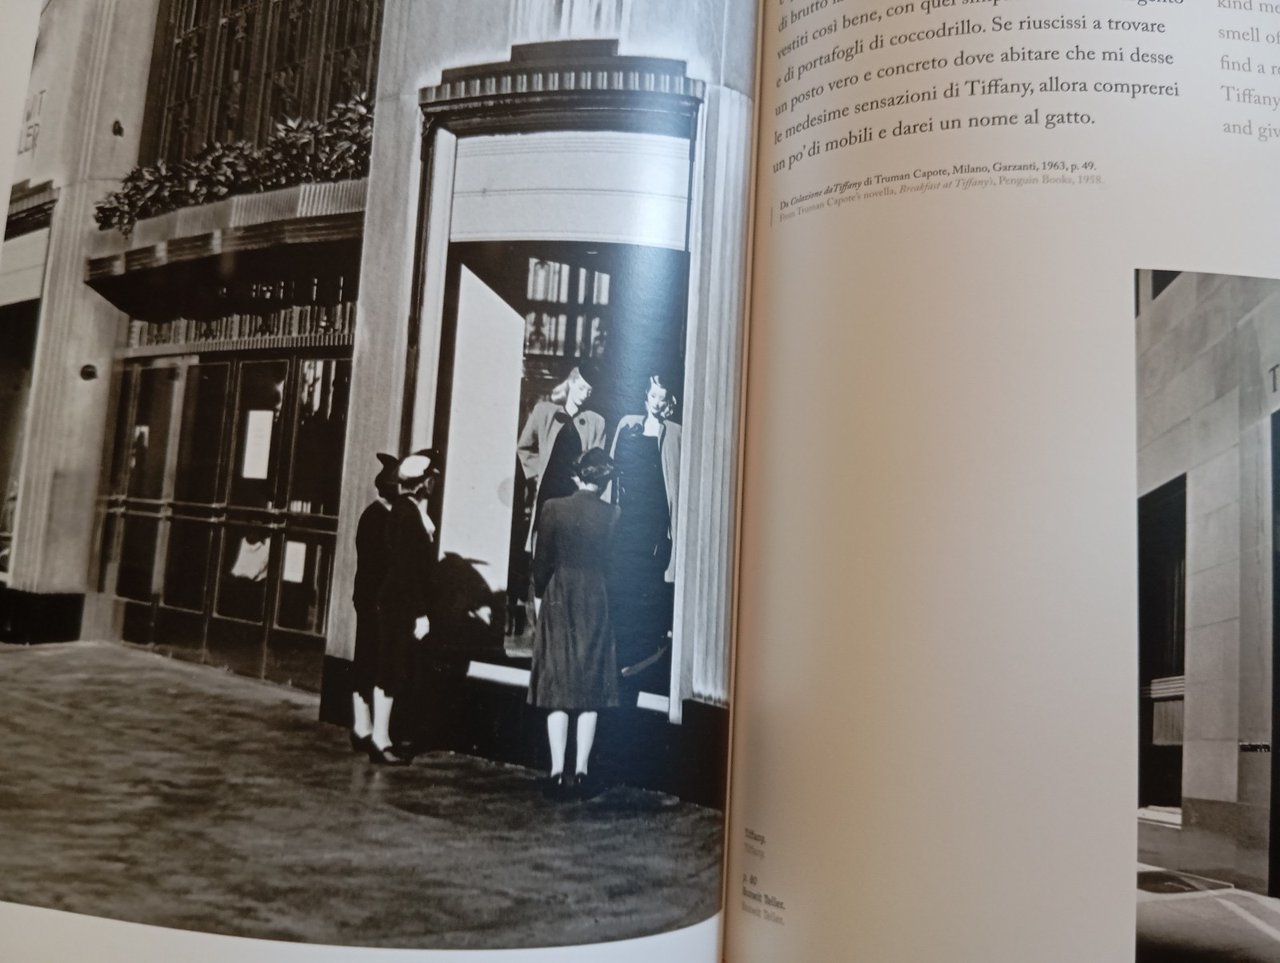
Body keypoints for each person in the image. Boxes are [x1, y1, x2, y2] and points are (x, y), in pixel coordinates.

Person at [528, 448, 620, 798]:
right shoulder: (614, 515)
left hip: (560, 595)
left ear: (577, 475)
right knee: (590, 688)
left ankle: (556, 771)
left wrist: (540, 600)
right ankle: (581, 771)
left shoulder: (553, 508)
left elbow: (541, 563)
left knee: (558, 685)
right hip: (596, 598)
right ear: (604, 481)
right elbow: (614, 567)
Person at [370, 449, 442, 765]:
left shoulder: (405, 510)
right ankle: (380, 739)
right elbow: (409, 571)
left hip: (396, 601)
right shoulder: (408, 516)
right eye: (431, 479)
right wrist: (421, 613)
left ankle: (382, 736)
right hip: (401, 604)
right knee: (391, 667)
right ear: (423, 483)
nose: (434, 484)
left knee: (390, 666)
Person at [609, 374, 682, 675]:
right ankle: (622, 652)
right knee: (625, 583)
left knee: (650, 585)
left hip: (657, 523)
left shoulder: (675, 432)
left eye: (662, 398)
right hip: (629, 520)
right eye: (653, 396)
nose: (656, 403)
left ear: (668, 402)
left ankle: (644, 654)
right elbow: (612, 470)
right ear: (645, 396)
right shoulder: (628, 425)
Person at [515, 362, 606, 552]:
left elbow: (599, 463)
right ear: (571, 383)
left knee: (569, 548)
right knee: (542, 546)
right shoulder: (544, 413)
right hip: (548, 490)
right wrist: (537, 473)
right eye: (581, 388)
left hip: (575, 493)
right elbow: (524, 447)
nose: (584, 395)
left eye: (589, 392)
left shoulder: (596, 422)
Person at [349, 452, 400, 754]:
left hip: (368, 596)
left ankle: (362, 724)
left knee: (366, 657)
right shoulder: (380, 518)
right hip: (375, 599)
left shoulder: (374, 514)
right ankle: (363, 725)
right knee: (372, 659)